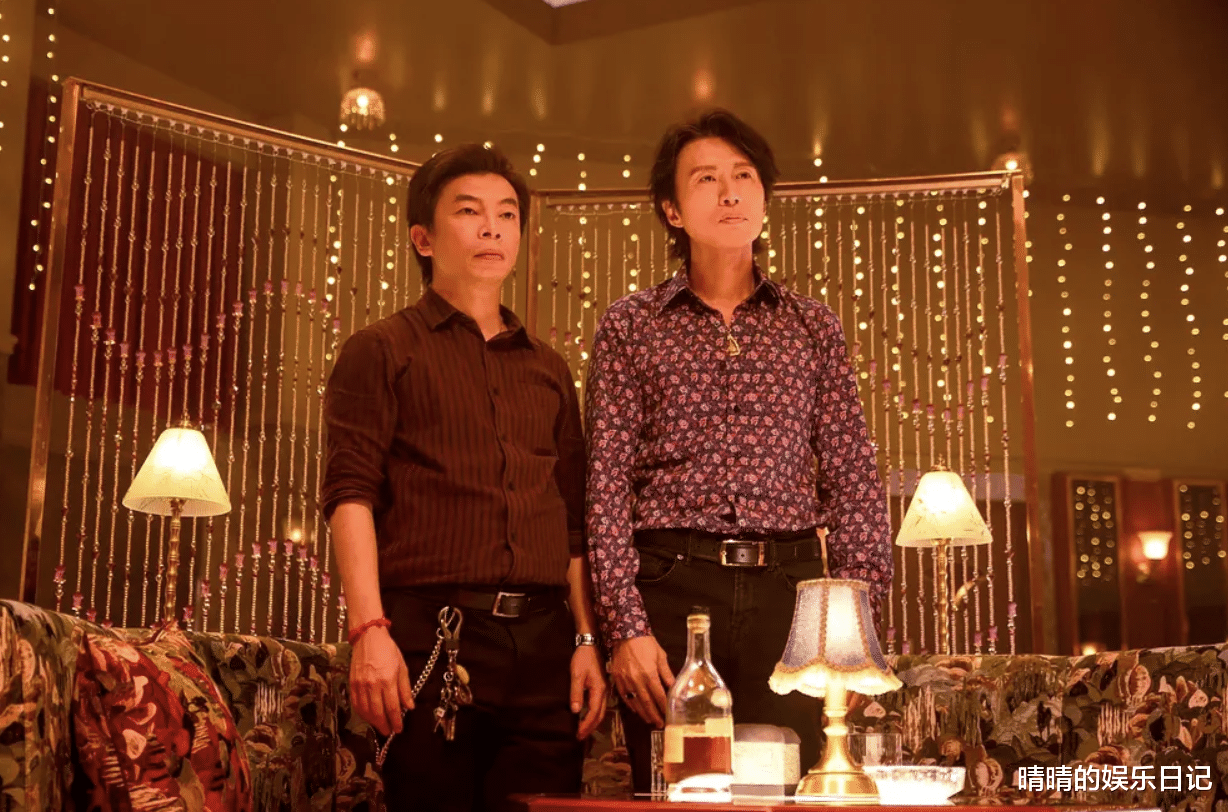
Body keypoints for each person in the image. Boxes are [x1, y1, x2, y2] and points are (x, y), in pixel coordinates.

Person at [584, 109, 892, 791]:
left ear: (764, 198)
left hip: (792, 593)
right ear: (672, 209)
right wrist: (626, 628)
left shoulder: (812, 325)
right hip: (670, 585)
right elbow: (605, 486)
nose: (729, 194)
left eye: (744, 176)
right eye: (706, 179)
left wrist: (859, 625)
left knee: (792, 787)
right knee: (676, 790)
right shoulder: (630, 325)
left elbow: (853, 476)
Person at [323, 143, 607, 811]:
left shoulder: (549, 369)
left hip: (545, 643)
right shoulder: (381, 349)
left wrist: (587, 640)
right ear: (423, 238)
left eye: (507, 215)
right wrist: (369, 632)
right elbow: (349, 494)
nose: (492, 229)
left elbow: (572, 520)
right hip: (433, 632)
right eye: (470, 212)